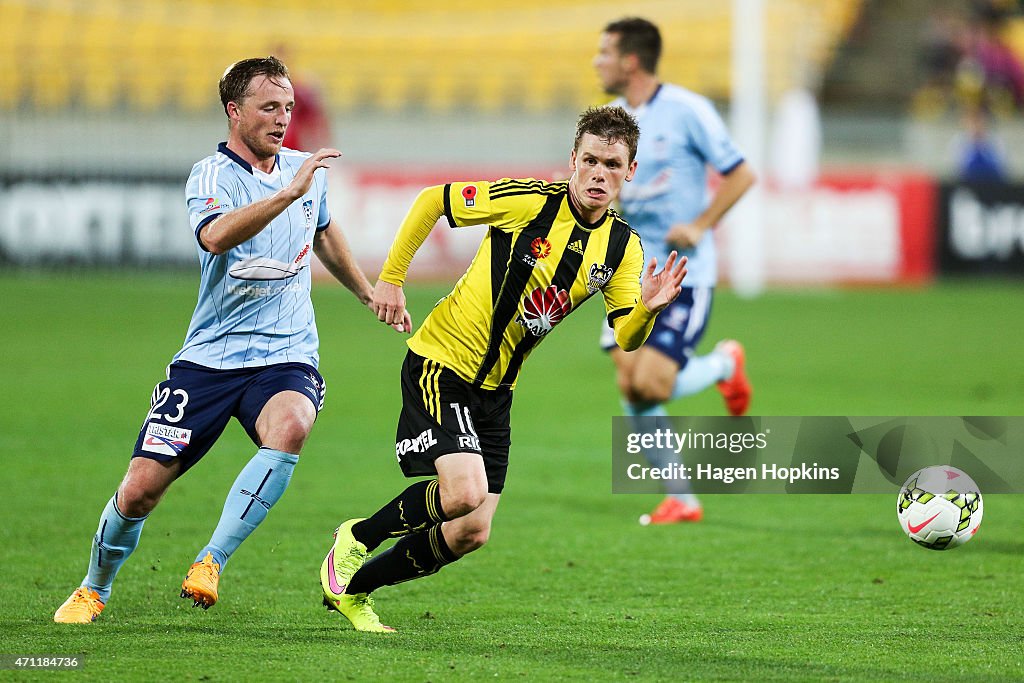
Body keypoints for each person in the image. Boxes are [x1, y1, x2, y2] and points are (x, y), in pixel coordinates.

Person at [54, 56, 409, 624]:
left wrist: (368, 293)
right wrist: (288, 192)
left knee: (291, 424)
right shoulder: (210, 176)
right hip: (209, 361)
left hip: (285, 355)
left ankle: (211, 561)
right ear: (234, 110)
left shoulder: (303, 172)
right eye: (269, 107)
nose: (282, 118)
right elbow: (215, 237)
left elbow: (324, 232)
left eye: (289, 108)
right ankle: (94, 587)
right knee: (141, 490)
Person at [319, 106, 688, 632]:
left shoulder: (624, 247)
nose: (599, 174)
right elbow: (433, 201)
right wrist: (392, 278)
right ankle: (357, 537)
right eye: (590, 161)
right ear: (572, 162)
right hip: (441, 364)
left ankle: (355, 592)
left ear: (630, 171)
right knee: (463, 492)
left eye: (612, 163)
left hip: (497, 391)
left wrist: (648, 310)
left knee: (472, 530)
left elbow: (628, 337)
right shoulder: (528, 202)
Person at [592, 17, 757, 525]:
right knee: (631, 385)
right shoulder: (610, 120)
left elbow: (742, 174)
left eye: (604, 53)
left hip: (685, 272)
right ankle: (681, 498)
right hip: (628, 272)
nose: (597, 62)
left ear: (631, 60)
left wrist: (702, 223)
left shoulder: (688, 111)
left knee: (653, 386)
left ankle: (724, 366)